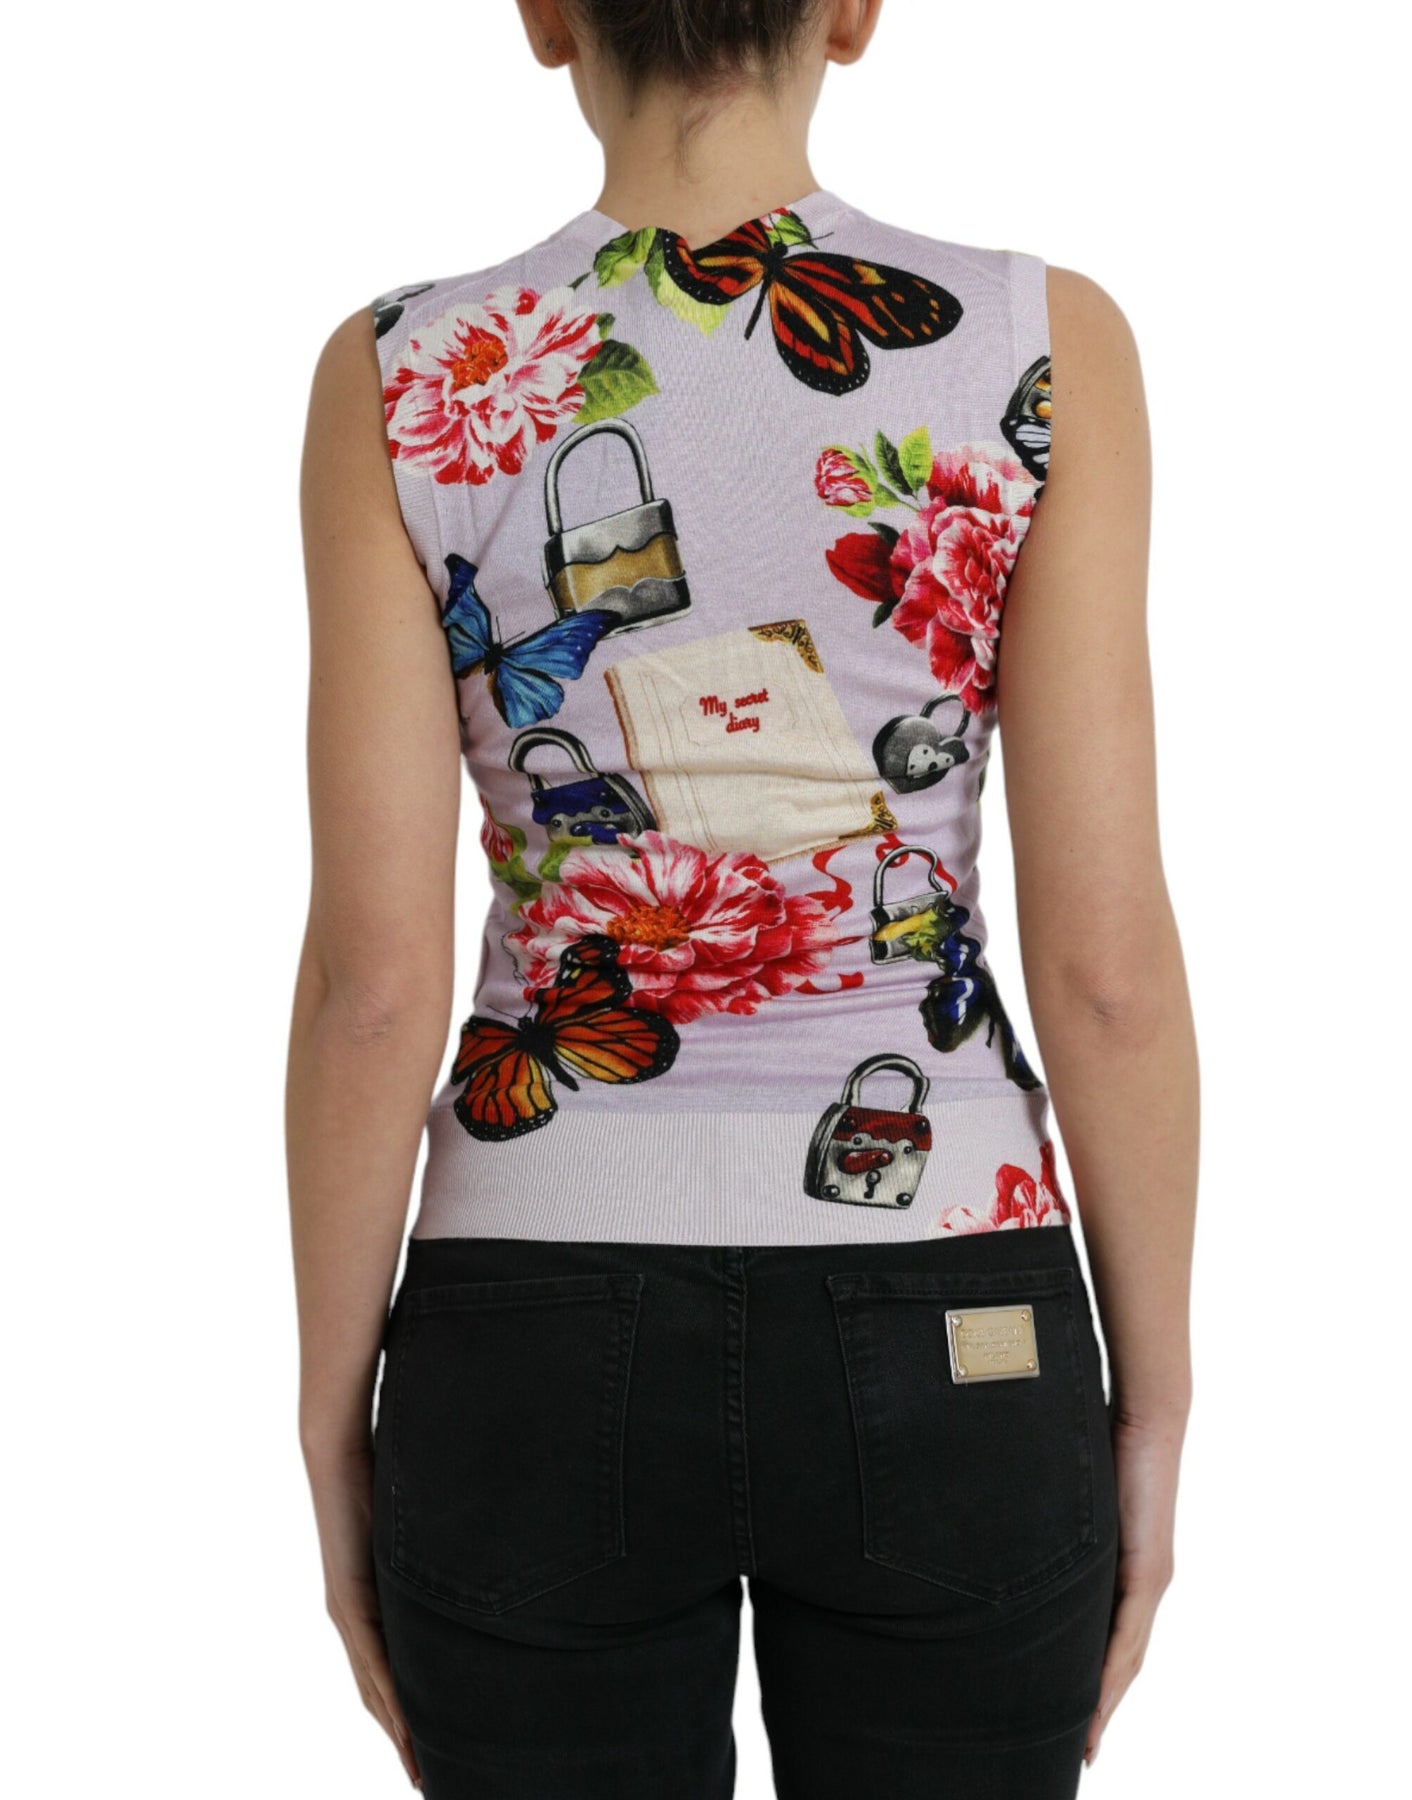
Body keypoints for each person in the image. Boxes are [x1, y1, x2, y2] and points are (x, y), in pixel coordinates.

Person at [287, 1, 1198, 1793]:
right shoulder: (1041, 346)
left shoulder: (403, 371)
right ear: (851, 13)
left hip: (528, 1322)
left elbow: (372, 992)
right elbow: (1108, 977)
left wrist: (332, 1421)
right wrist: (1154, 1406)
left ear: (545, 16)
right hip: (953, 1297)